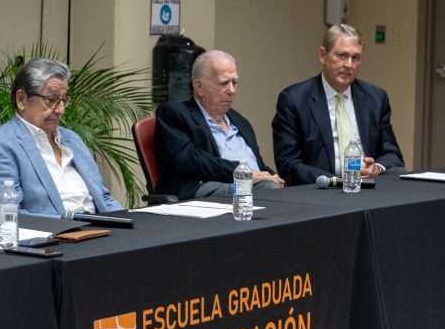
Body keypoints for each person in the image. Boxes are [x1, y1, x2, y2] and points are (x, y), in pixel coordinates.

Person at [0, 58, 123, 222]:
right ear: (22, 99)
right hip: (57, 241)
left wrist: (132, 223)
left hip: (104, 231)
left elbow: (103, 198)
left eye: (63, 100)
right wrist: (75, 229)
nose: (60, 110)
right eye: (51, 99)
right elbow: (6, 218)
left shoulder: (72, 139)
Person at [272, 23, 404, 186]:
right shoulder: (294, 100)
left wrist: (376, 168)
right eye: (342, 55)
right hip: (321, 189)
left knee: (400, 174)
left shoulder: (375, 98)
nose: (349, 65)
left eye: (355, 58)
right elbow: (288, 164)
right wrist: (338, 182)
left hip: (369, 186)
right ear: (323, 55)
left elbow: (392, 154)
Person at [154, 50, 284, 200]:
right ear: (199, 87)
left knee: (284, 187)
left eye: (234, 82)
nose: (232, 90)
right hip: (202, 188)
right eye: (224, 83)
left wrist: (274, 177)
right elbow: (190, 160)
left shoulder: (240, 121)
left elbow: (258, 165)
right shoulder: (174, 113)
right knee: (269, 189)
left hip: (252, 187)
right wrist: (243, 174)